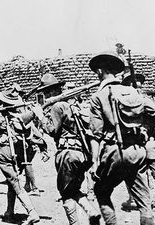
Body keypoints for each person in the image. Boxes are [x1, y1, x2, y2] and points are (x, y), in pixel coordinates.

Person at [88, 52, 155, 225]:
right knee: (144, 201)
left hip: (115, 151)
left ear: (99, 71)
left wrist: (94, 162)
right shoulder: (132, 91)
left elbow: (95, 134)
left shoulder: (98, 96)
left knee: (101, 191)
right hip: (137, 150)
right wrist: (145, 130)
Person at [36, 73, 101, 225]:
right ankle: (91, 212)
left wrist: (40, 117)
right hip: (80, 154)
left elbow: (53, 131)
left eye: (46, 93)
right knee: (73, 189)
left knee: (65, 194)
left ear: (52, 92)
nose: (45, 96)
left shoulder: (58, 106)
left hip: (67, 154)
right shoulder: (73, 105)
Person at [0, 87, 44, 225]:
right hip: (19, 152)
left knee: (14, 181)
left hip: (5, 152)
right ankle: (9, 212)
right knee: (12, 181)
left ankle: (31, 211)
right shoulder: (21, 115)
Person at [121, 73, 155, 214]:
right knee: (154, 174)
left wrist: (145, 128)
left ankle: (145, 203)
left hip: (146, 142)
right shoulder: (146, 100)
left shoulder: (134, 102)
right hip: (149, 142)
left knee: (142, 174)